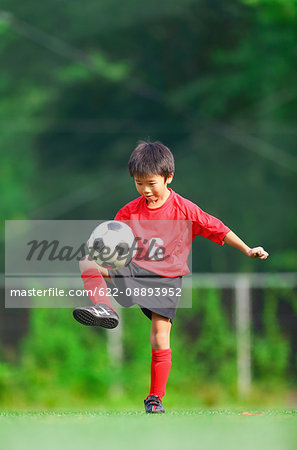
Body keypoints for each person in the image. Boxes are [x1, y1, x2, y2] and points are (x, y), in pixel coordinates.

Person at [73, 141, 269, 413]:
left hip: (166, 278)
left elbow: (218, 229)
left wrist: (248, 249)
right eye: (139, 183)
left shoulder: (184, 209)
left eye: (151, 183)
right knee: (88, 262)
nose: (146, 190)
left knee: (159, 336)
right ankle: (104, 308)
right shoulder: (129, 211)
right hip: (135, 270)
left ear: (169, 178)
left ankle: (155, 398)